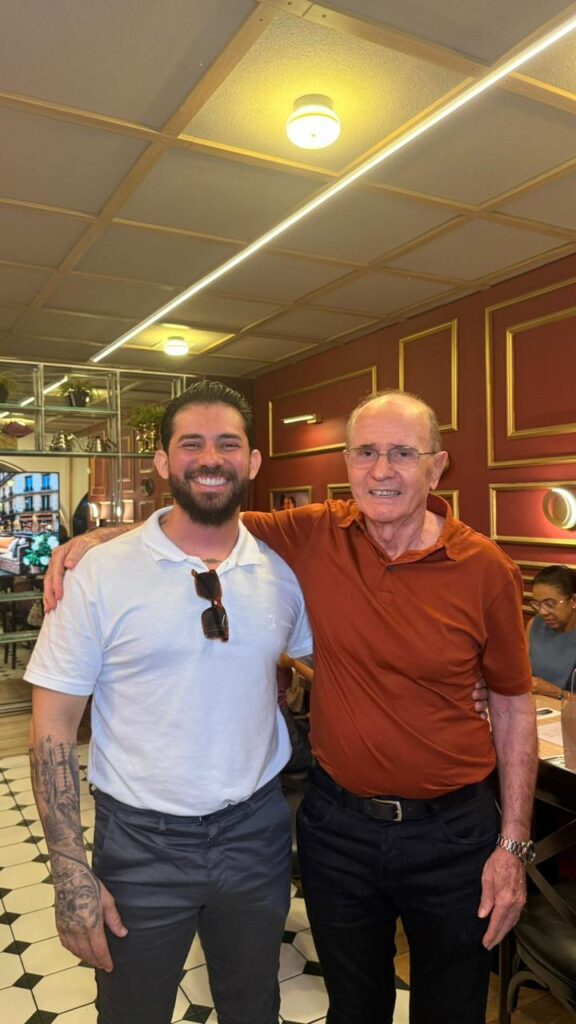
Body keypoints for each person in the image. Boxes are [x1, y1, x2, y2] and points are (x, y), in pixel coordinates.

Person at [44, 388, 530, 1024]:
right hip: (310, 830)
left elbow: (510, 701)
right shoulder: (311, 534)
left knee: (439, 1006)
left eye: (403, 453)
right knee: (346, 1005)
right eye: (366, 452)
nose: (382, 470)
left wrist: (513, 839)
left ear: (437, 467)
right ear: (347, 463)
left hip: (430, 830)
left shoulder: (478, 566)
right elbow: (202, 513)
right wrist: (101, 540)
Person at [27, 381, 312, 1024]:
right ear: (162, 461)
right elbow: (52, 725)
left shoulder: (282, 572)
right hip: (140, 844)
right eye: (191, 444)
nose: (210, 459)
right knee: (132, 1011)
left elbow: (327, 661)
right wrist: (69, 872)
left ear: (253, 462)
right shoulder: (99, 573)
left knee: (253, 1005)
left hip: (256, 834)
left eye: (228, 444)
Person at [526, 564, 576, 698]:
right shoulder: (534, 624)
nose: (543, 612)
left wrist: (557, 693)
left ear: (573, 601)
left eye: (549, 604)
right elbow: (522, 673)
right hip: (535, 705)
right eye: (538, 604)